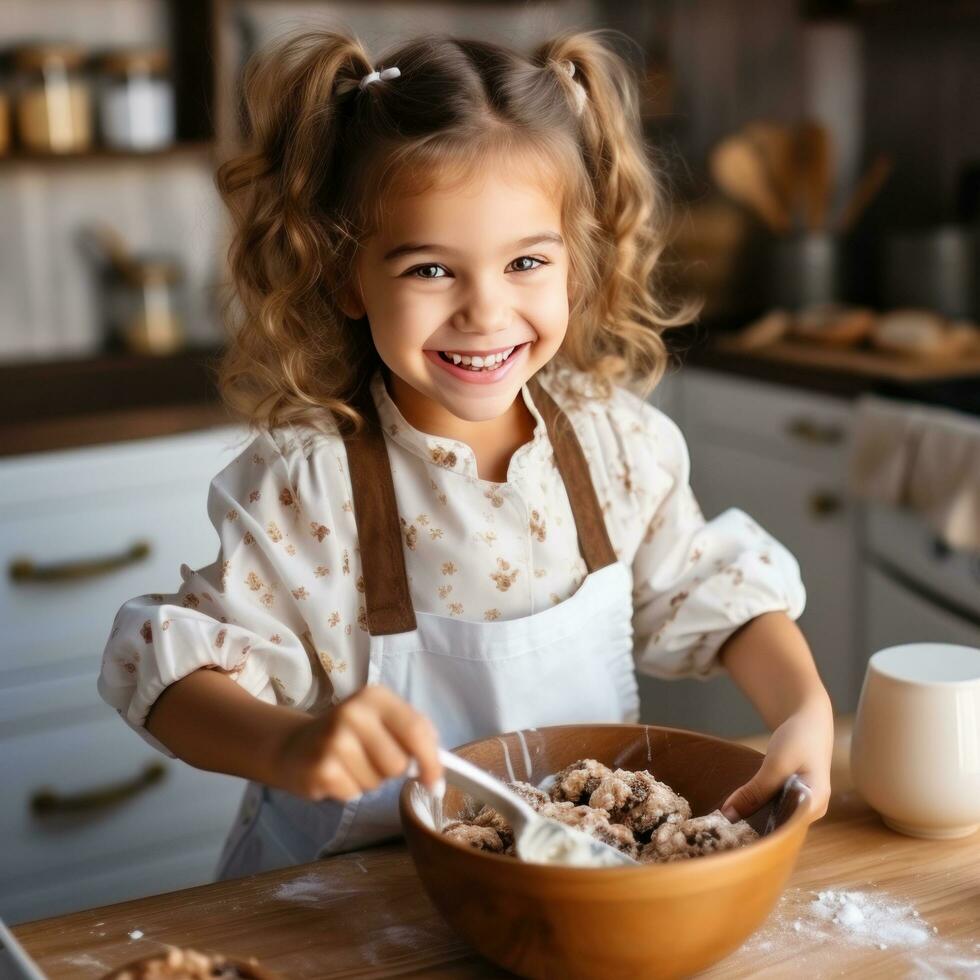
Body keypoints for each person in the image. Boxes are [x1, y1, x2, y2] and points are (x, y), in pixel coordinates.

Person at [98, 28, 833, 879]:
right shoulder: (312, 485)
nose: (485, 312)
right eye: (430, 271)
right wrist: (293, 746)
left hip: (567, 891)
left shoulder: (614, 449)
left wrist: (804, 709)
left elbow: (718, 592)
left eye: (525, 261)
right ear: (346, 276)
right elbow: (170, 675)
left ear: (576, 264)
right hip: (345, 907)